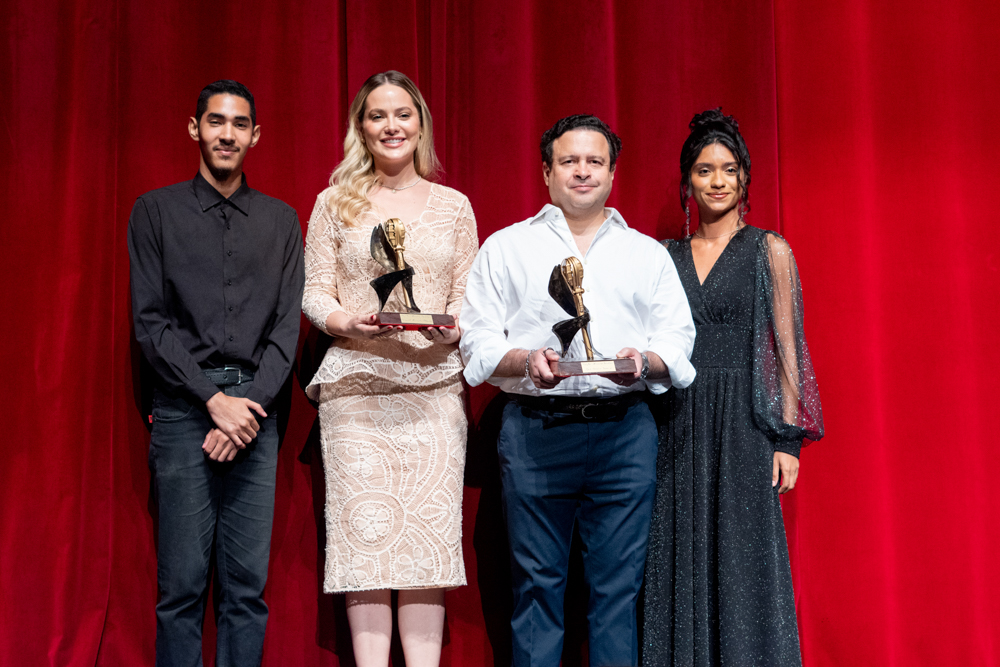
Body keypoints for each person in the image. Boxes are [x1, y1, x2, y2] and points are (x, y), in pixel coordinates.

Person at [460, 114, 697, 667]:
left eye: (595, 161)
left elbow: (677, 341)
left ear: (613, 173)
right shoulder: (506, 246)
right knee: (537, 590)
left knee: (617, 596)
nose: (582, 172)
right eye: (569, 161)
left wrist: (644, 362)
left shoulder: (646, 254)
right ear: (547, 172)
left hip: (625, 434)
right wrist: (525, 359)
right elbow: (477, 341)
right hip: (535, 432)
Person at [301, 70, 478, 667]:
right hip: (356, 390)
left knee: (426, 542)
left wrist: (447, 324)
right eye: (378, 115)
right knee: (366, 539)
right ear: (361, 128)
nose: (391, 126)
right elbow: (315, 294)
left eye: (403, 114)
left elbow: (465, 296)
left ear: (420, 123)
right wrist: (349, 324)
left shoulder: (455, 207)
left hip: (432, 391)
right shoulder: (333, 202)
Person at [128, 80, 304, 667]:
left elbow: (285, 331)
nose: (227, 134)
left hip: (258, 412)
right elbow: (151, 325)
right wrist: (213, 401)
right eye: (215, 122)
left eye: (239, 124)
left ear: (256, 134)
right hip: (183, 410)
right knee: (180, 588)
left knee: (246, 590)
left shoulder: (281, 221)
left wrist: (245, 406)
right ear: (194, 128)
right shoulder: (154, 212)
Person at [642, 108, 824, 666]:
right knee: (673, 554)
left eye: (727, 169)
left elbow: (787, 348)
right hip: (673, 420)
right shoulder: (663, 256)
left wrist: (787, 440)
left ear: (744, 178)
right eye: (703, 170)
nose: (716, 181)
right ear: (686, 182)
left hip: (745, 424)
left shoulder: (770, 250)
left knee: (745, 564)